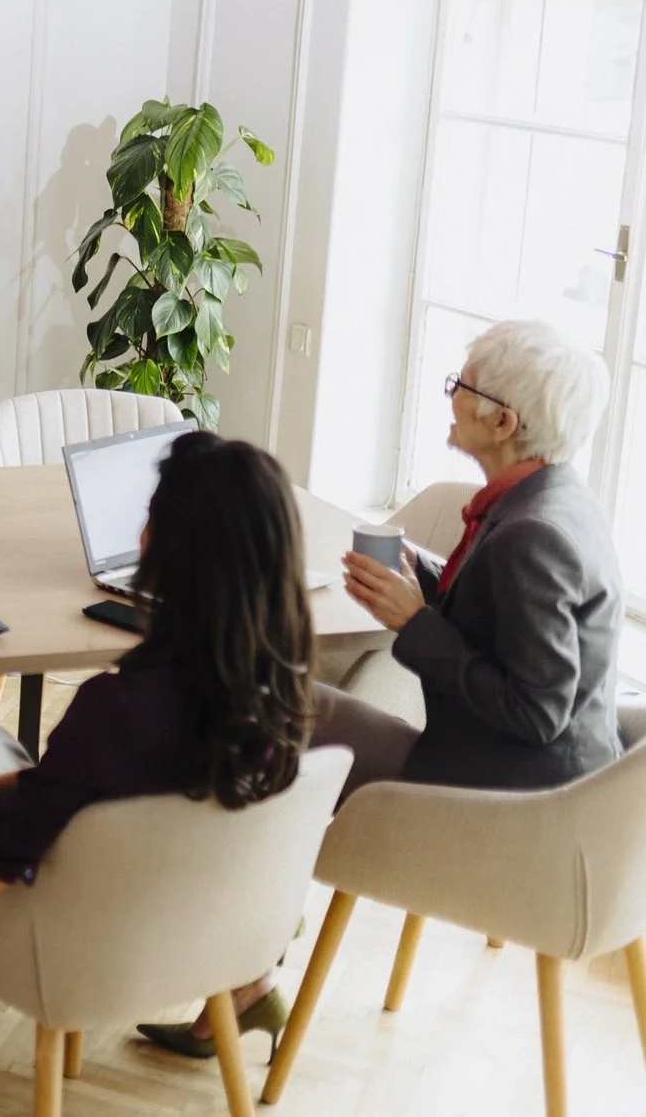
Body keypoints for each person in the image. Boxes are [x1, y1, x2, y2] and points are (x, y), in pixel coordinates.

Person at [141, 320, 624, 1059]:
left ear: (504, 420)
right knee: (278, 706)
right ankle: (248, 966)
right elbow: (510, 632)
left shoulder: (535, 536)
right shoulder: (548, 501)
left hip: (509, 803)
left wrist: (413, 623)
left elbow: (535, 711)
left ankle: (246, 952)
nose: (451, 395)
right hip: (531, 778)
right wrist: (427, 586)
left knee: (254, 722)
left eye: (463, 386)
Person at [0, 433, 316, 1059]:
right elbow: (102, 780)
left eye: (151, 515)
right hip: (196, 926)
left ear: (169, 549)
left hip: (58, 936)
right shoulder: (281, 699)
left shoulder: (119, 711)